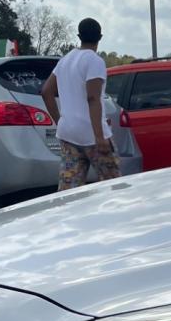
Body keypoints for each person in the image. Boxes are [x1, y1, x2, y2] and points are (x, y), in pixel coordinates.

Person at [42, 17, 118, 191]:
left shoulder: (65, 61)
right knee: (113, 185)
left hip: (68, 134)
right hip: (92, 135)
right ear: (100, 37)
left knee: (69, 192)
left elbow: (46, 92)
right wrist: (100, 137)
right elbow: (93, 98)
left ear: (79, 36)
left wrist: (60, 121)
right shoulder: (95, 61)